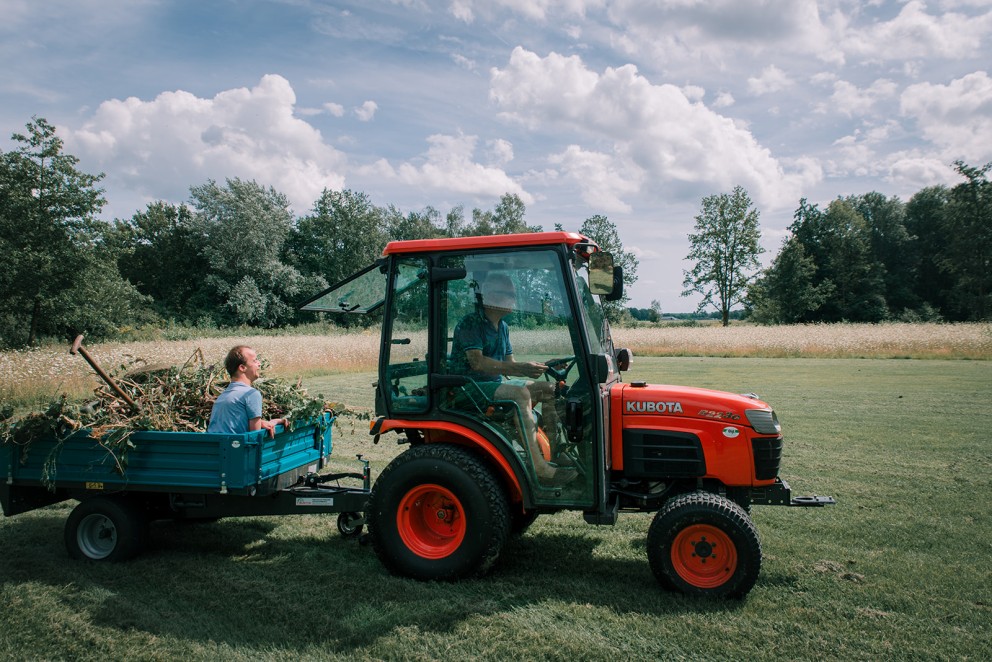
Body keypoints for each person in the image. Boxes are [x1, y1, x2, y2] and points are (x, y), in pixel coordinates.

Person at [450, 274, 576, 486]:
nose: (513, 300)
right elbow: (477, 363)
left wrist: (544, 365)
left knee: (549, 389)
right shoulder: (471, 323)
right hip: (467, 389)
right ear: (490, 296)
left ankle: (555, 453)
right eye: (509, 295)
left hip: (493, 386)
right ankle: (538, 467)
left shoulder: (503, 327)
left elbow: (510, 365)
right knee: (520, 393)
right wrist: (520, 368)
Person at [207, 345, 287, 437]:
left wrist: (271, 422)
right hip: (236, 448)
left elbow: (233, 423)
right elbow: (255, 437)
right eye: (254, 360)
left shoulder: (223, 396)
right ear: (242, 367)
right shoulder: (251, 394)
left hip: (215, 447)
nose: (259, 363)